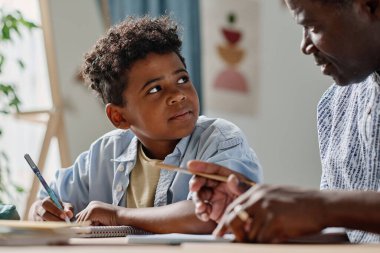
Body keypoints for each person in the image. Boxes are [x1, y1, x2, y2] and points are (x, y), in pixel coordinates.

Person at [28, 15, 263, 234]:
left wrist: (119, 214)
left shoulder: (219, 139)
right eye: (155, 89)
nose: (178, 95)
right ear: (119, 117)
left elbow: (217, 213)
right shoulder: (103, 154)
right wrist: (42, 211)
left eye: (182, 79)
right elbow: (44, 204)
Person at [188, 0, 380, 243]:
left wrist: (322, 207)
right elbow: (352, 238)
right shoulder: (334, 105)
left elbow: (330, 210)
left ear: (371, 6)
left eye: (313, 26)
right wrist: (255, 213)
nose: (305, 45)